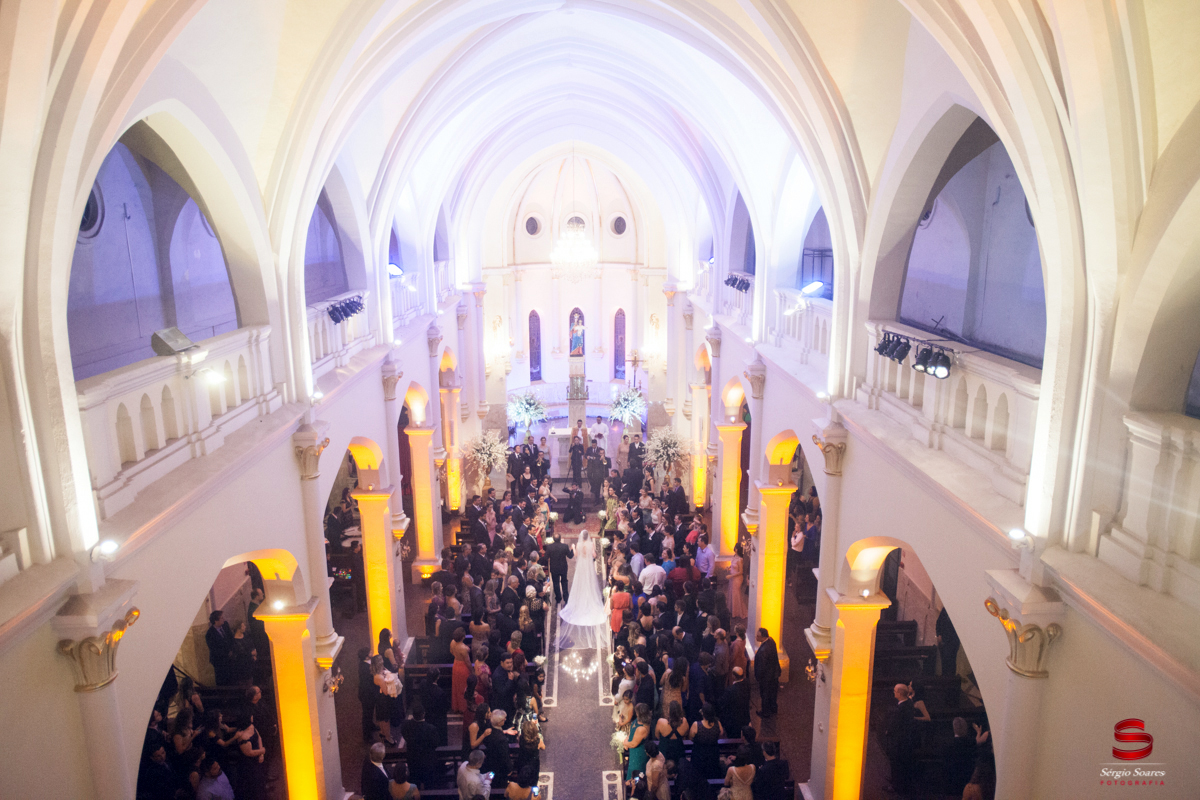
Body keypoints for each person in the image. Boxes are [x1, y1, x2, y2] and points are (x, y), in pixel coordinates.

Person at [556, 530, 609, 650]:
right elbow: (594, 556)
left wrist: (574, 547)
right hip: (588, 567)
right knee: (589, 583)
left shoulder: (579, 545)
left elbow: (575, 555)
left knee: (579, 584)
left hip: (581, 568)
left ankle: (579, 600)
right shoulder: (591, 545)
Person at [884, 683, 919, 795]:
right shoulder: (909, 703)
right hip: (906, 741)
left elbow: (895, 725)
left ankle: (896, 786)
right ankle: (899, 783)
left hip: (899, 743)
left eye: (895, 691)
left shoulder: (901, 709)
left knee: (897, 765)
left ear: (899, 693)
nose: (893, 692)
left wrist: (888, 731)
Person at [402, 702, 439, 788]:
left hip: (413, 760)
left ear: (413, 715)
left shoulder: (406, 726)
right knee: (428, 783)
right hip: (427, 761)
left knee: (414, 782)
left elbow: (404, 734)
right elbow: (435, 743)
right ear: (423, 714)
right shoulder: (431, 729)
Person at [689, 702, 725, 783]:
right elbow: (721, 735)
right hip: (713, 754)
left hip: (699, 755)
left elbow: (691, 738)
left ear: (703, 714)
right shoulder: (718, 723)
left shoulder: (696, 725)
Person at [945, 717, 977, 797]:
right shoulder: (971, 743)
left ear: (954, 728)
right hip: (968, 779)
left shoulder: (948, 745)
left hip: (951, 782)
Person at [482, 710, 513, 791]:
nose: (505, 720)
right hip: (500, 769)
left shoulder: (489, 728)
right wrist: (509, 769)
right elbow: (504, 756)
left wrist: (505, 731)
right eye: (504, 719)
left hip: (490, 764)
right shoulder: (501, 739)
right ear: (499, 723)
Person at [753, 628, 780, 718]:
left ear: (763, 637)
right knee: (773, 693)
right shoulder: (771, 641)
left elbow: (762, 666)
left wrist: (758, 677)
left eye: (758, 636)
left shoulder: (763, 651)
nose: (756, 637)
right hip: (774, 674)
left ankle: (765, 712)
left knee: (765, 694)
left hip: (766, 677)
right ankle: (773, 708)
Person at [621, 703, 653, 780]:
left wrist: (625, 742)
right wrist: (627, 738)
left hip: (638, 754)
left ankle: (634, 787)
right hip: (633, 750)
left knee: (634, 770)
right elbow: (632, 731)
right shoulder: (638, 720)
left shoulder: (642, 729)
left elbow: (633, 744)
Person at [655, 700, 689, 766]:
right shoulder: (684, 721)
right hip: (679, 752)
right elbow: (685, 734)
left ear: (669, 711)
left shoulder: (661, 722)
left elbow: (657, 736)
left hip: (664, 752)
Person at [719, 666, 751, 737]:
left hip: (733, 721)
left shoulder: (730, 690)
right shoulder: (747, 685)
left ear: (734, 676)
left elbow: (724, 704)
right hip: (744, 718)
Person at [205, 611, 234, 685]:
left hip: (230, 658)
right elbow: (214, 649)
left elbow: (231, 638)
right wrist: (227, 653)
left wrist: (231, 650)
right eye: (221, 618)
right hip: (219, 661)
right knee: (222, 680)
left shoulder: (225, 625)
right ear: (215, 621)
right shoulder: (210, 634)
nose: (223, 619)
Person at [544, 535, 574, 604]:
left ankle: (558, 598)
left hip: (554, 568)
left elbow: (546, 557)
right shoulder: (565, 546)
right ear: (560, 539)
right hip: (563, 567)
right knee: (564, 582)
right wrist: (572, 549)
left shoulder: (549, 547)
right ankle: (566, 598)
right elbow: (570, 556)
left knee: (555, 583)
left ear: (553, 539)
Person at [451, 627, 472, 715]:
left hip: (456, 664)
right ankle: (463, 708)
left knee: (456, 686)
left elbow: (451, 651)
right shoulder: (463, 648)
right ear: (463, 637)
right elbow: (468, 662)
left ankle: (457, 706)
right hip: (463, 668)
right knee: (463, 687)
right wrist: (472, 671)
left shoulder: (452, 642)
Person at [728, 546, 747, 619]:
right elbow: (733, 565)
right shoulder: (734, 557)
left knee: (736, 594)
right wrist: (729, 567)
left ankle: (738, 612)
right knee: (731, 593)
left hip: (737, 578)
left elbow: (740, 571)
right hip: (732, 577)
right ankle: (732, 610)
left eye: (735, 547)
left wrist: (731, 575)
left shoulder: (740, 559)